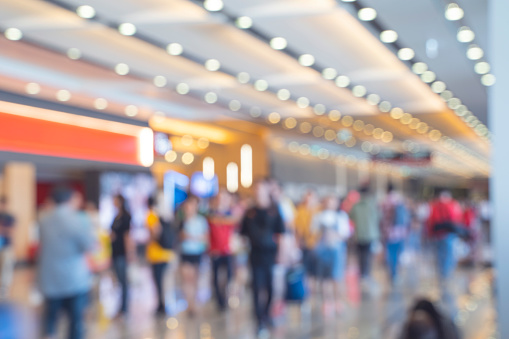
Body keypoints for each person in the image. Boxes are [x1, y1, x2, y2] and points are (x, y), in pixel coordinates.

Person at [38, 187, 94, 339]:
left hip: (50, 277)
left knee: (50, 319)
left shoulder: (43, 219)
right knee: (75, 320)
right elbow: (89, 245)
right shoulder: (78, 219)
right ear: (70, 200)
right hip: (73, 278)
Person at [240, 179, 285, 336]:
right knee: (257, 287)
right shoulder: (250, 212)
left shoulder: (274, 210)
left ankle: (267, 313)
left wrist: (281, 253)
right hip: (255, 254)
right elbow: (242, 234)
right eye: (256, 189)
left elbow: (281, 234)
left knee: (271, 287)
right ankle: (259, 319)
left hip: (271, 254)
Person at [312, 196, 351, 315]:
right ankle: (327, 302)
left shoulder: (341, 217)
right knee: (324, 278)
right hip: (323, 250)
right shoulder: (319, 217)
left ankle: (337, 301)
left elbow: (346, 234)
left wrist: (334, 235)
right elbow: (313, 232)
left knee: (336, 277)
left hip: (337, 250)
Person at [179, 194, 209, 316]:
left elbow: (205, 238)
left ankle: (194, 303)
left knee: (195, 280)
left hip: (197, 253)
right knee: (187, 280)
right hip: (186, 252)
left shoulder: (201, 221)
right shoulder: (182, 220)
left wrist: (193, 237)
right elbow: (180, 236)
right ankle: (189, 304)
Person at [208, 189, 236, 311]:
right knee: (216, 277)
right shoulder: (211, 214)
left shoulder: (230, 214)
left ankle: (225, 296)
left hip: (228, 251)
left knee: (228, 276)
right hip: (215, 251)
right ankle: (219, 300)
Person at [427, 191, 463, 284]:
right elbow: (456, 218)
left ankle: (441, 271)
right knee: (448, 254)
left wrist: (430, 233)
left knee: (440, 254)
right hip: (448, 233)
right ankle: (446, 272)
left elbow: (431, 220)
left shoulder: (435, 205)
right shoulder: (452, 205)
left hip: (438, 234)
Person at [145, 196, 172, 315]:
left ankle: (162, 305)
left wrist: (149, 240)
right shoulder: (163, 214)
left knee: (158, 281)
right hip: (166, 253)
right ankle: (163, 304)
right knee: (162, 281)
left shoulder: (151, 215)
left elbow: (155, 231)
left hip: (156, 254)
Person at [349, 186, 380, 285]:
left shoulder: (356, 206)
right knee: (368, 255)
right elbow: (379, 218)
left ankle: (362, 274)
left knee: (360, 255)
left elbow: (351, 217)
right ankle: (367, 274)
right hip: (370, 234)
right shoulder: (373, 205)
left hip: (359, 234)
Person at [380, 184, 410, 284]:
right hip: (400, 232)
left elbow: (381, 219)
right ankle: (397, 272)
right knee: (398, 253)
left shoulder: (384, 202)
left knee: (391, 255)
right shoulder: (399, 200)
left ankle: (393, 274)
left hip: (389, 233)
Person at [110, 194, 132, 318]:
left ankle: (124, 308)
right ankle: (121, 307)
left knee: (123, 281)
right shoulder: (116, 217)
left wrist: (129, 253)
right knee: (118, 281)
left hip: (122, 253)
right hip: (115, 251)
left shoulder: (125, 217)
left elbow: (127, 236)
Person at [294, 191, 319, 286]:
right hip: (304, 245)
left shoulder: (319, 211)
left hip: (317, 245)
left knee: (316, 272)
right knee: (305, 270)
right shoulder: (300, 211)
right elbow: (297, 229)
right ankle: (306, 291)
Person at [0, 196, 15, 298]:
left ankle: (3, 289)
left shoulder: (10, 217)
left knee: (6, 267)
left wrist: (3, 229)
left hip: (6, 246)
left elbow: (11, 231)